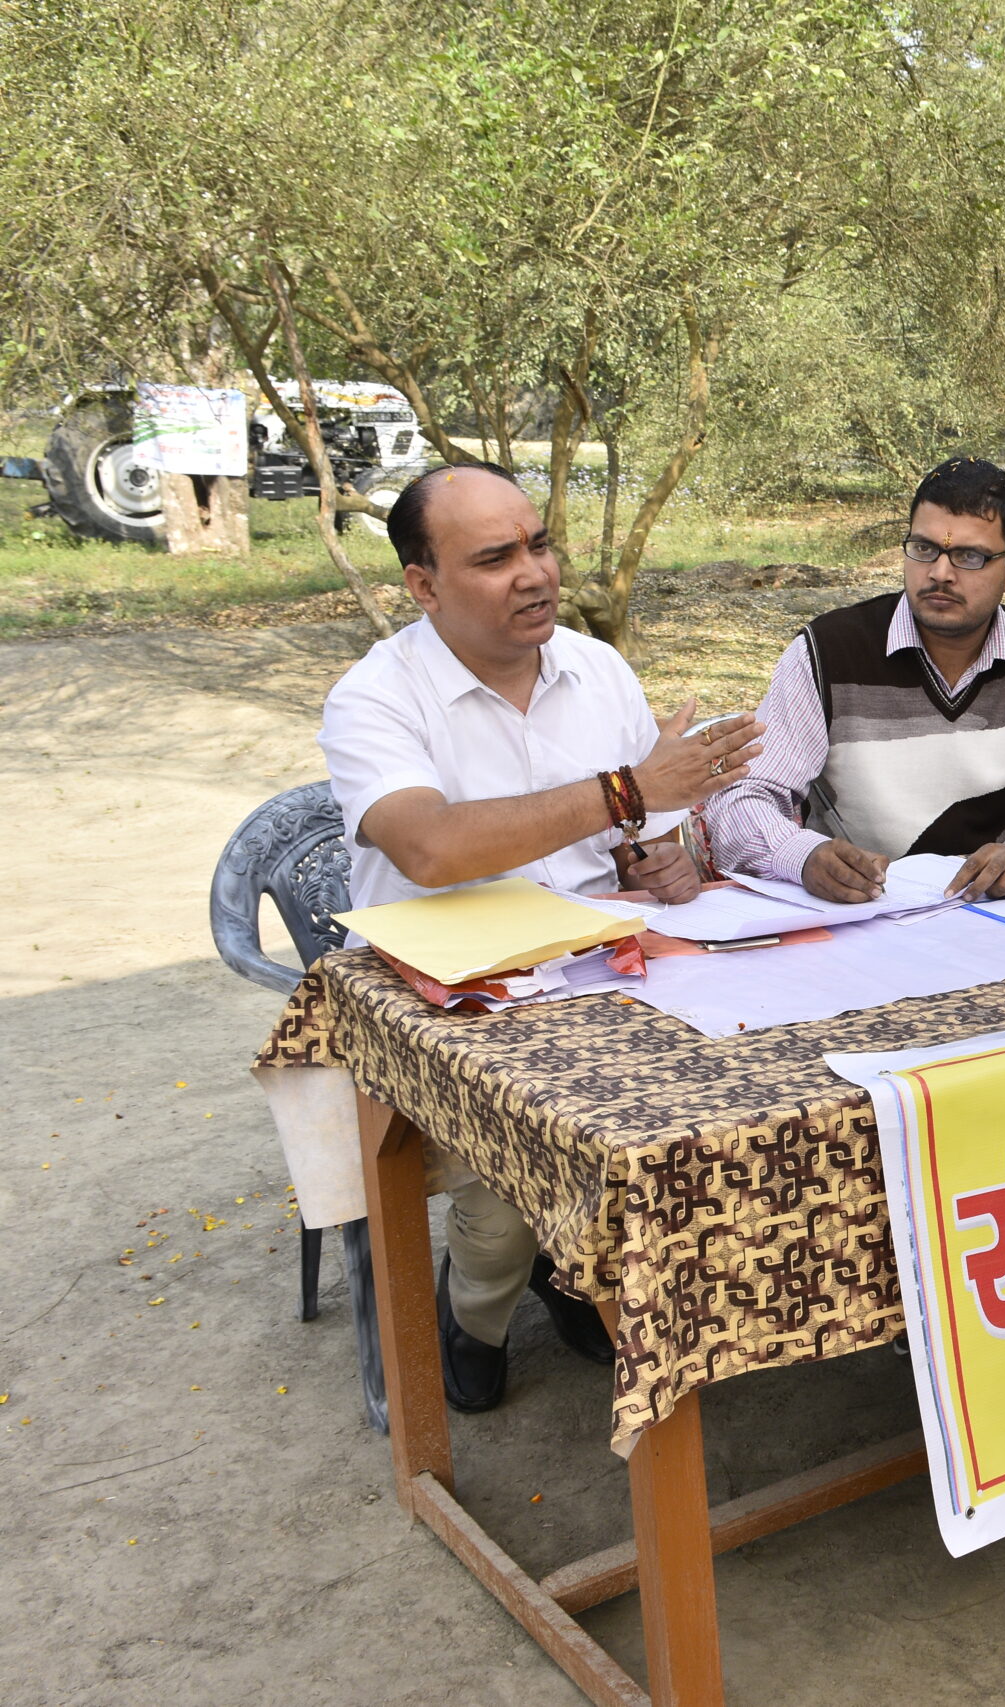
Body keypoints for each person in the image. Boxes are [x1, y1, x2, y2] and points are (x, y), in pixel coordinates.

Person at [318, 462, 761, 1412]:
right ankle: (475, 1311)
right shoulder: (375, 696)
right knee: (501, 1200)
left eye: (540, 544)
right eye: (495, 558)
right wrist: (626, 792)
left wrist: (662, 856)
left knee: (736, 1099)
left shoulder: (596, 669)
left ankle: (584, 1279)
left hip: (604, 969)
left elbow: (642, 832)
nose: (535, 574)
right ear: (423, 584)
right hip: (454, 998)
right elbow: (431, 846)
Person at [704, 457, 1005, 903]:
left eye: (969, 556)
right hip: (852, 914)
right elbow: (742, 799)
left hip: (989, 914)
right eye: (924, 548)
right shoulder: (827, 652)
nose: (940, 573)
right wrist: (802, 857)